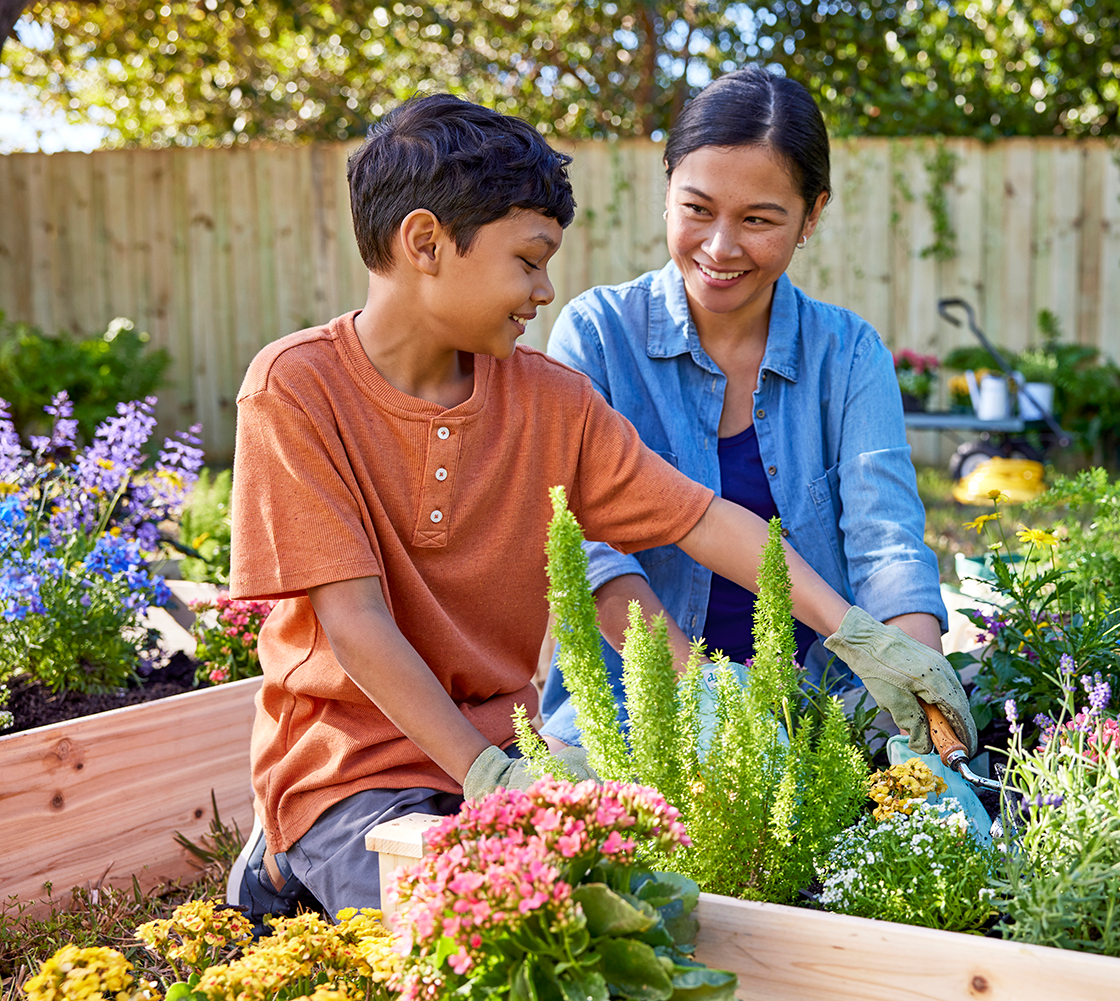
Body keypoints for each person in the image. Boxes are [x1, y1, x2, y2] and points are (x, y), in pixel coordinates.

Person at [224, 93, 974, 925]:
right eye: (529, 260)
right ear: (427, 243)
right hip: (353, 772)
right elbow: (354, 624)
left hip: (510, 752)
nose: (546, 290)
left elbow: (699, 518)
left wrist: (858, 634)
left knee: (640, 921)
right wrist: (488, 777)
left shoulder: (548, 400)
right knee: (490, 932)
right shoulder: (295, 388)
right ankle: (285, 862)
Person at [539, 68, 947, 748]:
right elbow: (584, 551)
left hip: (818, 710)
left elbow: (888, 549)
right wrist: (706, 696)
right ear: (667, 188)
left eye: (758, 220)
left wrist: (914, 693)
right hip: (634, 707)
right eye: (697, 209)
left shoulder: (847, 355)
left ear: (811, 215)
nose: (721, 248)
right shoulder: (598, 336)